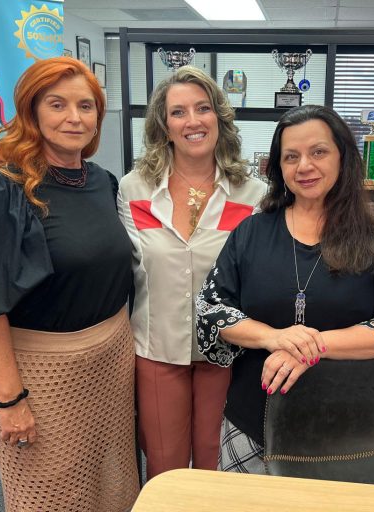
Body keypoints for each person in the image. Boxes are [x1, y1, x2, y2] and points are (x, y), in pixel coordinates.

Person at [196, 104, 374, 474]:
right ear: (279, 168)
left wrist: (311, 347)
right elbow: (210, 310)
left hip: (348, 427)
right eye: (291, 156)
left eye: (318, 152)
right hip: (254, 420)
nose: (304, 166)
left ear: (342, 157)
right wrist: (273, 337)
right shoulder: (251, 234)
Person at [0, 57, 139, 511]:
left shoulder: (103, 182)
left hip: (112, 360)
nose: (74, 117)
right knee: (50, 495)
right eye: (57, 104)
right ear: (31, 112)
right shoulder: (5, 189)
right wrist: (9, 399)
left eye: (86, 106)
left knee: (113, 485)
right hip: (43, 375)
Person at [117, 65, 266, 478]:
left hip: (227, 353)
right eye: (178, 112)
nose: (192, 121)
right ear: (164, 126)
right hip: (157, 350)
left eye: (203, 108)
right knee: (164, 468)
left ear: (219, 118)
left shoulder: (253, 194)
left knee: (216, 464)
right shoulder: (134, 190)